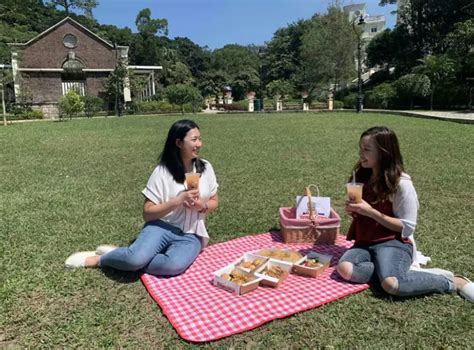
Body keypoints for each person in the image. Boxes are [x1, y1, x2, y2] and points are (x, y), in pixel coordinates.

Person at [65, 119, 219, 276]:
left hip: (192, 233)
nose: (199, 144)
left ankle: (124, 255)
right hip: (162, 226)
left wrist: (202, 206)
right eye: (194, 139)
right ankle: (102, 259)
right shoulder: (162, 172)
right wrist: (177, 201)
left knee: (172, 266)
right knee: (134, 260)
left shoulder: (206, 168)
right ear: (179, 143)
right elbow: (148, 213)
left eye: (200, 139)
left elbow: (214, 201)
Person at [337, 126, 473, 302]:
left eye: (367, 150)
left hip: (392, 243)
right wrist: (354, 211)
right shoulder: (362, 176)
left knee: (392, 285)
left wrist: (370, 212)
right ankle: (389, 271)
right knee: (346, 269)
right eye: (360, 149)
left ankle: (454, 282)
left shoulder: (401, 184)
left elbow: (407, 227)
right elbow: (363, 214)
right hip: (364, 242)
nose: (361, 154)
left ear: (384, 153)